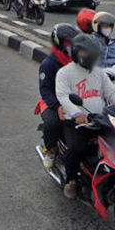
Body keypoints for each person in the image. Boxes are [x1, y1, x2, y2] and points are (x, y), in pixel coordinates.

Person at [56, 34, 115, 199]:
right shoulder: (64, 73)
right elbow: (63, 96)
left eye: (94, 54)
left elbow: (112, 93)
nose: (91, 57)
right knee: (76, 149)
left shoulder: (99, 73)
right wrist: (77, 114)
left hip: (99, 119)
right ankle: (71, 180)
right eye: (87, 53)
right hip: (76, 122)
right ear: (77, 53)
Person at [37, 23, 79, 170]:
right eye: (68, 43)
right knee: (52, 123)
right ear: (59, 43)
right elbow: (45, 90)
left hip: (75, 100)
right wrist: (58, 106)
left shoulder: (78, 60)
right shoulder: (49, 64)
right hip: (53, 102)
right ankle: (50, 149)